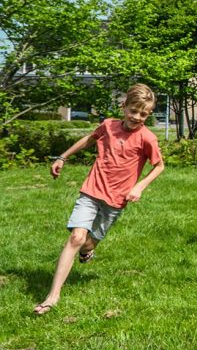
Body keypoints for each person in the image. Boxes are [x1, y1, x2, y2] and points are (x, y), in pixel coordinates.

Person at [33, 83, 165, 315]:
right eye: (133, 111)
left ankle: (88, 251)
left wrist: (139, 186)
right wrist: (62, 157)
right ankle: (52, 297)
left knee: (88, 242)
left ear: (149, 113)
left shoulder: (147, 138)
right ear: (124, 106)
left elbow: (159, 166)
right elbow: (89, 139)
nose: (137, 117)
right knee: (76, 236)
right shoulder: (108, 125)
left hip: (117, 199)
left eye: (143, 114)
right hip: (92, 190)